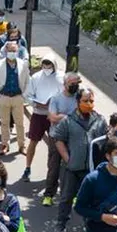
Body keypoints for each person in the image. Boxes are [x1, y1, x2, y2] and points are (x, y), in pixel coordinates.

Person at [53, 88, 107, 232]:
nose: (89, 104)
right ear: (78, 102)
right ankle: (60, 225)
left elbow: (105, 141)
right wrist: (67, 158)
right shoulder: (68, 120)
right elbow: (58, 139)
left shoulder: (100, 121)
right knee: (66, 198)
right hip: (72, 168)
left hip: (91, 170)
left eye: (91, 101)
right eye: (85, 101)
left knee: (91, 200)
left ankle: (89, 227)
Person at [42, 73, 81, 204]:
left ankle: (72, 194)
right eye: (73, 84)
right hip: (56, 138)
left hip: (73, 138)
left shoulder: (79, 98)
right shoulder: (56, 99)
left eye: (77, 84)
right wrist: (69, 116)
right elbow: (52, 117)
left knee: (73, 167)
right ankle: (49, 195)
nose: (75, 86)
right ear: (65, 84)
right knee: (54, 167)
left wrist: (62, 116)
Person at [21, 59, 63, 182]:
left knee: (54, 144)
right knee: (33, 141)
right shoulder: (36, 77)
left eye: (49, 66)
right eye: (44, 66)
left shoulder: (61, 78)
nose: (46, 69)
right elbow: (27, 95)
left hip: (54, 116)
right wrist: (35, 103)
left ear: (54, 66)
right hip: (38, 114)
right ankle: (27, 168)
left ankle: (53, 170)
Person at [0, 41, 29, 155]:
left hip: (18, 97)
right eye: (10, 50)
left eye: (14, 50)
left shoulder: (23, 64)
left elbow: (27, 81)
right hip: (3, 97)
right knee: (4, 122)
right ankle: (4, 144)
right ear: (6, 51)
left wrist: (24, 96)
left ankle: (22, 145)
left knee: (20, 123)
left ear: (17, 51)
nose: (12, 52)